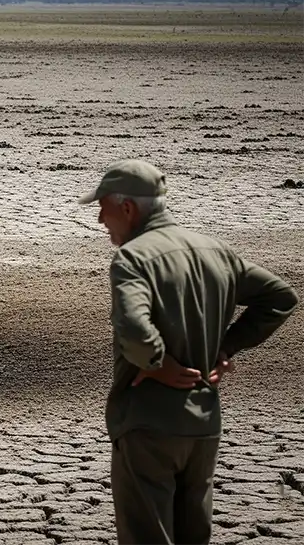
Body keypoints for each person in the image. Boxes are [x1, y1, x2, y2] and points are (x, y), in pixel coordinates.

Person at [78, 159, 297, 545]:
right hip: (204, 423)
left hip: (149, 424)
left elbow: (132, 326)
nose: (99, 219)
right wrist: (225, 346)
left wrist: (158, 364)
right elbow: (280, 297)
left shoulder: (134, 258)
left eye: (103, 207)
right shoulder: (215, 250)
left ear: (127, 208)